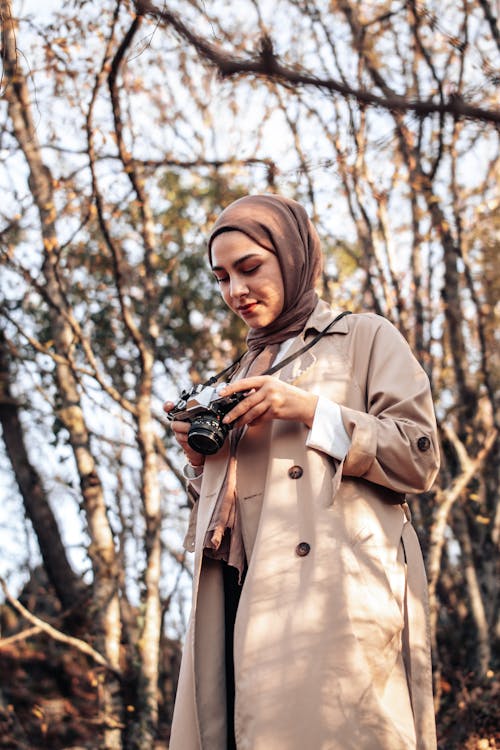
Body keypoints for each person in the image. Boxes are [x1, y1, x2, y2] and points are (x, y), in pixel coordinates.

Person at [164, 194, 440, 750]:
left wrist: (309, 409)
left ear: (292, 256)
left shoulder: (363, 337)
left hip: (336, 602)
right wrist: (201, 463)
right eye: (221, 277)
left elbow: (419, 457)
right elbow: (236, 512)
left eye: (249, 268)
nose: (234, 291)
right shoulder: (236, 373)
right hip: (242, 600)